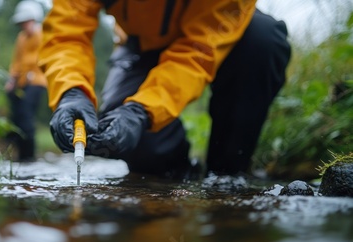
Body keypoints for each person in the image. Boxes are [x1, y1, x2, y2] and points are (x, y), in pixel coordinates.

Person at [39, 0, 291, 179]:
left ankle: (225, 177)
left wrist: (142, 111)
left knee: (262, 41)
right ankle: (180, 171)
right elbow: (67, 32)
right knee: (125, 137)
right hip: (139, 45)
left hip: (214, 39)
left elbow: (198, 54)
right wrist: (71, 91)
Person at [4, 0, 47, 162]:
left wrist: (31, 73)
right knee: (17, 114)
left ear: (34, 19)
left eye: (26, 21)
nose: (24, 25)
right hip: (22, 82)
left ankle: (30, 156)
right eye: (22, 22)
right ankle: (20, 153)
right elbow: (17, 62)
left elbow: (43, 59)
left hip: (37, 82)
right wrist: (11, 80)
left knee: (26, 115)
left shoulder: (42, 34)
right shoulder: (21, 38)